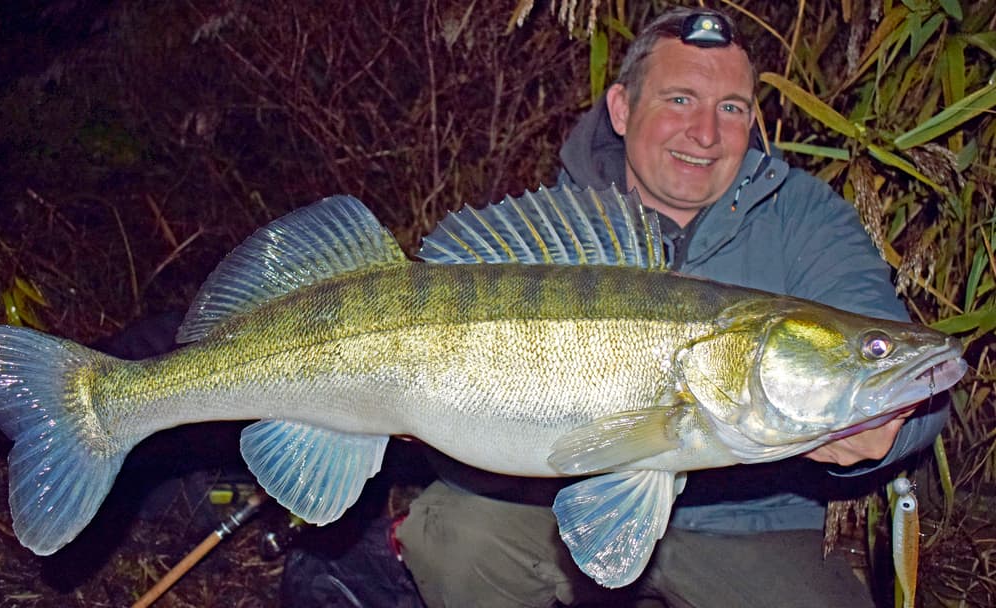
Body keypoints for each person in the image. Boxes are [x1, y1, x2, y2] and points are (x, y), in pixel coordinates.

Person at [393, 7, 949, 607]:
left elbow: (923, 390)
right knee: (452, 533)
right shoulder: (559, 236)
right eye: (680, 99)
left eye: (731, 108)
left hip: (756, 527)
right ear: (622, 109)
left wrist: (886, 434)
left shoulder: (806, 218)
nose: (706, 133)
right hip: (552, 509)